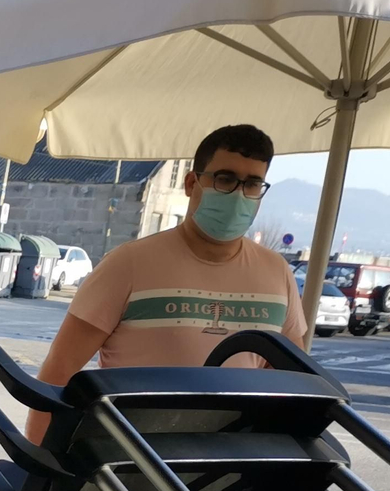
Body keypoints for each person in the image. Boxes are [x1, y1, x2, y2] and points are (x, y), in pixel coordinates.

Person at [32, 124, 307, 436]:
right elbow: (58, 372)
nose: (239, 195)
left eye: (252, 184)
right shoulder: (129, 264)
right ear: (191, 183)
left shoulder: (276, 272)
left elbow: (292, 380)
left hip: (228, 466)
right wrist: (38, 467)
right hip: (133, 465)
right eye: (225, 179)